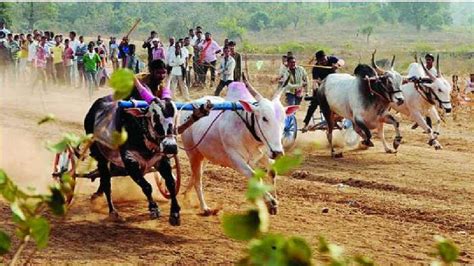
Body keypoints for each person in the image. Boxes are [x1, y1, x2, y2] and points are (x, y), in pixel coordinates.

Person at [302, 50, 344, 132]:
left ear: (326, 57)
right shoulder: (316, 68)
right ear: (317, 61)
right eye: (321, 61)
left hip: (335, 86)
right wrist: (316, 87)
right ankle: (306, 123)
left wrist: (337, 65)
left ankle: (341, 116)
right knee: (313, 104)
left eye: (324, 59)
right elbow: (315, 81)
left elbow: (342, 61)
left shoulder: (331, 59)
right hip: (322, 87)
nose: (324, 62)